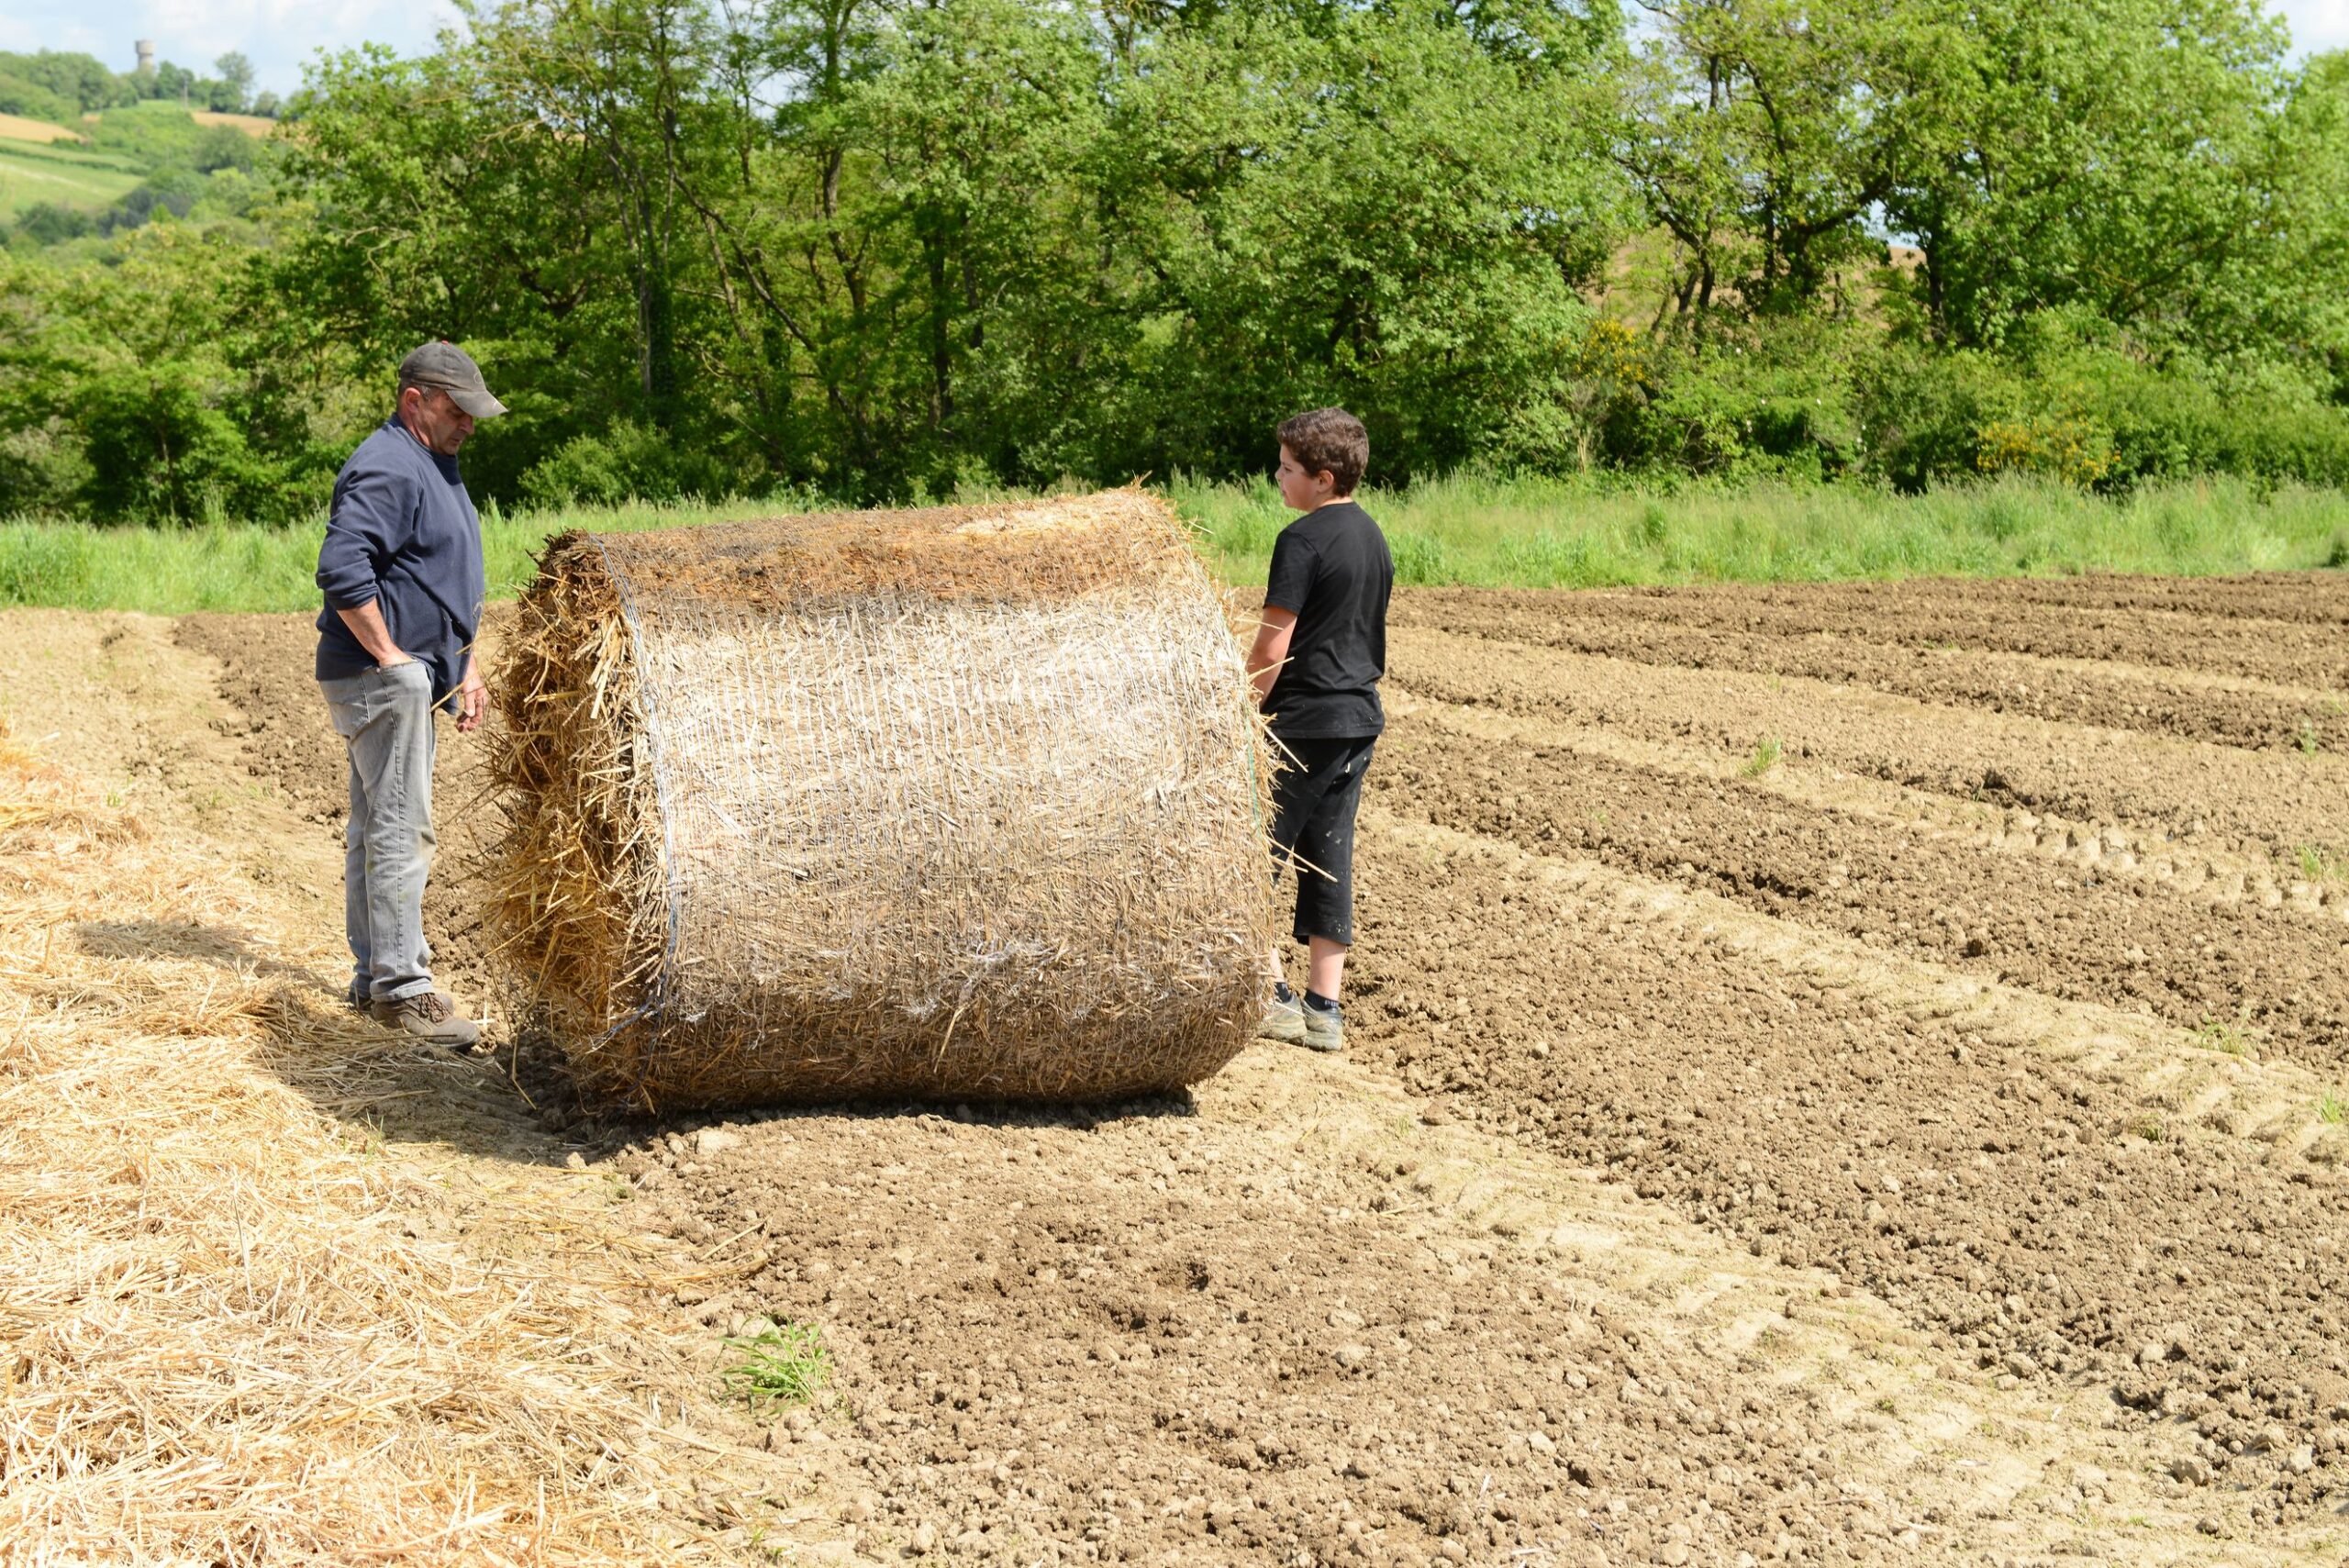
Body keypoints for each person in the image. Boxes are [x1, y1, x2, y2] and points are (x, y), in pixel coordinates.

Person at [314, 341, 506, 1047]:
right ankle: (403, 987)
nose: (468, 425)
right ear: (414, 402)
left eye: (473, 414)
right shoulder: (390, 463)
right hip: (379, 677)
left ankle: (374, 979)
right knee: (403, 826)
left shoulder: (433, 462)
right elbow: (342, 567)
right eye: (457, 411)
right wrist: (395, 659)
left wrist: (465, 663)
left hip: (402, 675)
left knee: (376, 823)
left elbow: (434, 578)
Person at [1248, 407, 1393, 1055]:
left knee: (1251, 855)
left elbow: (1273, 646)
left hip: (1301, 721)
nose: (1277, 477)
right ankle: (1324, 1007)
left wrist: (1241, 706)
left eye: (1286, 468)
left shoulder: (1299, 541)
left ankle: (1272, 996)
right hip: (1357, 720)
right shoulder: (1375, 538)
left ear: (1323, 478)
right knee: (1328, 855)